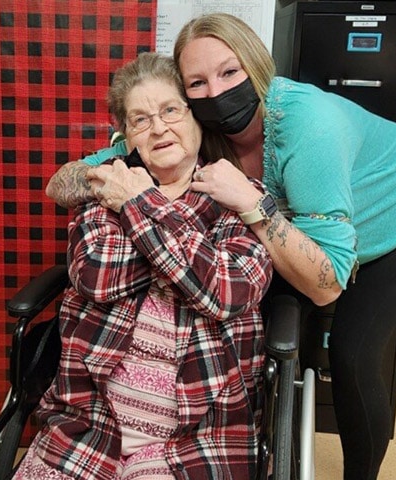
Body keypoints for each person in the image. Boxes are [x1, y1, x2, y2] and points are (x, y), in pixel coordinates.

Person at [44, 13, 396, 480]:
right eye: (197, 83)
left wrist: (250, 204)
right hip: (309, 227)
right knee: (262, 309)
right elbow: (68, 180)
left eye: (229, 72)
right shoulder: (193, 126)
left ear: (256, 65)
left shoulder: (308, 125)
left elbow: (326, 285)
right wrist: (114, 172)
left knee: (352, 352)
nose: (216, 91)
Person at [14, 52, 273, 480]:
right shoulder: (106, 189)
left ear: (195, 119)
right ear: (127, 137)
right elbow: (97, 274)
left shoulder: (237, 193)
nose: (158, 128)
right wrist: (190, 265)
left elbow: (228, 290)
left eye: (170, 110)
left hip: (196, 435)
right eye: (140, 120)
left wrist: (139, 204)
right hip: (92, 424)